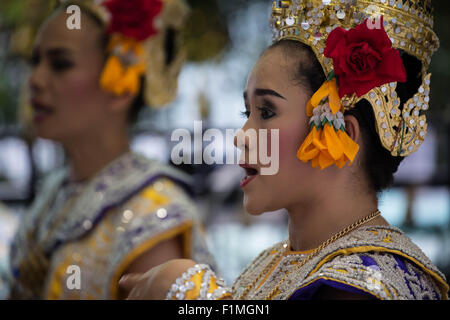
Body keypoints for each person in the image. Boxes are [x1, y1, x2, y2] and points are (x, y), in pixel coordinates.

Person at [118, 0, 449, 300]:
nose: (242, 137)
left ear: (343, 135)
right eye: (246, 113)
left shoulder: (368, 281)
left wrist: (189, 296)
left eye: (267, 112)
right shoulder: (270, 263)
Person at [8, 0, 215, 300]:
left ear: (121, 85)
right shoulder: (54, 192)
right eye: (35, 61)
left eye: (61, 63)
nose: (35, 79)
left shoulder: (154, 218)